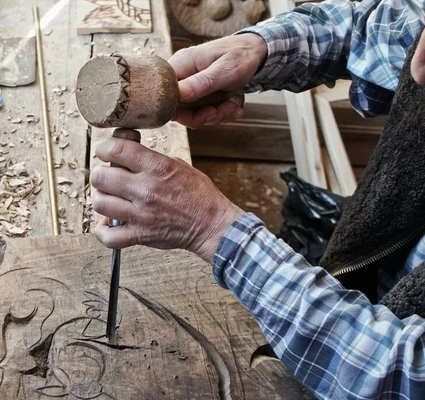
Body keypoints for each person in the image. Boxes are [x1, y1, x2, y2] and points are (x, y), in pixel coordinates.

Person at [90, 0, 425, 398]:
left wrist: (212, 230)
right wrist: (259, 49)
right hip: (374, 277)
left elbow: (402, 375)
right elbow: (373, 28)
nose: (418, 69)